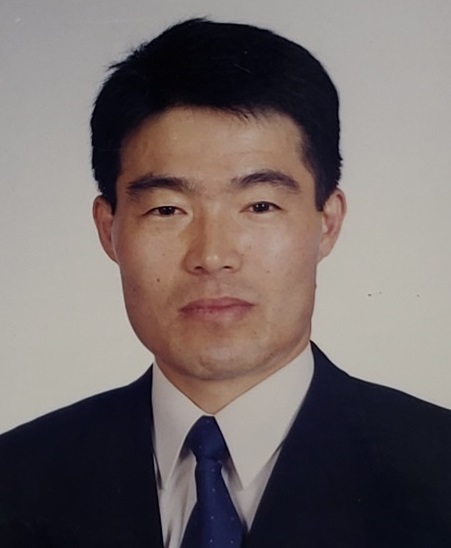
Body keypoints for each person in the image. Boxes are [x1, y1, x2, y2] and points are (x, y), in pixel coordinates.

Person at [0, 17, 450, 548]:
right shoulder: (16, 479)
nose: (212, 256)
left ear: (327, 222)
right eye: (168, 209)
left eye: (259, 206)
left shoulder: (436, 471)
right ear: (109, 229)